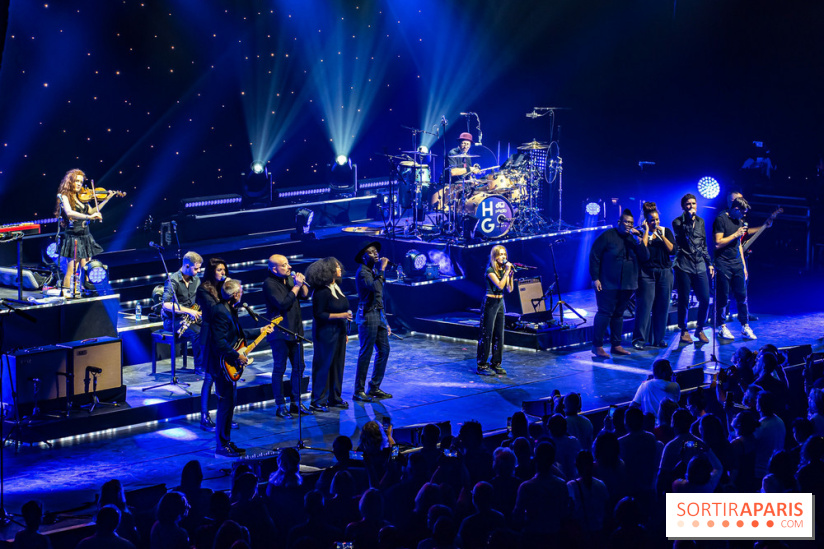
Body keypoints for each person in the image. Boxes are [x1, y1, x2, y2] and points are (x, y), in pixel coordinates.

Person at [206, 278, 273, 457]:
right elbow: (219, 342)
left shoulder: (229, 310)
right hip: (222, 366)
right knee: (225, 405)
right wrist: (237, 356)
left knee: (229, 404)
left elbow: (238, 335)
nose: (242, 294)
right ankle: (221, 445)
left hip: (228, 363)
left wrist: (261, 331)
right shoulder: (220, 311)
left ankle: (226, 441)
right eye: (240, 291)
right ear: (235, 294)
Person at [589, 209, 649, 357]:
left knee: (619, 314)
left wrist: (640, 241)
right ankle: (597, 345)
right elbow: (594, 255)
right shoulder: (607, 236)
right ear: (619, 222)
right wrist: (595, 278)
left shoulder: (633, 239)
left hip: (627, 283)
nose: (629, 225)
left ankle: (616, 344)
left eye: (631, 223)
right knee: (604, 313)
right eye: (626, 222)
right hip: (607, 283)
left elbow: (645, 257)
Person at [262, 254, 312, 418]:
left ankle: (296, 403)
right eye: (284, 265)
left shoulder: (290, 280)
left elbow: (304, 296)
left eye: (288, 263)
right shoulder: (269, 284)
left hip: (295, 330)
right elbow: (283, 303)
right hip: (279, 333)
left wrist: (301, 283)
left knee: (299, 367)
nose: (289, 267)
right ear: (274, 269)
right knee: (279, 369)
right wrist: (296, 287)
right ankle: (280, 406)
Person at [54, 169, 115, 297]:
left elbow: (92, 211)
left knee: (87, 268)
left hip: (85, 235)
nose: (78, 184)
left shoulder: (82, 197)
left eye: (81, 182)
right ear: (70, 182)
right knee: (72, 269)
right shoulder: (65, 196)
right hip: (73, 236)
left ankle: (86, 293)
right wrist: (89, 218)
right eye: (76, 181)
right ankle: (66, 294)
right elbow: (70, 213)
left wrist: (106, 200)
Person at [713, 196, 763, 340]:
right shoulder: (721, 220)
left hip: (736, 263)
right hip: (723, 263)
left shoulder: (739, 221)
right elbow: (717, 243)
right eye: (742, 212)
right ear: (735, 209)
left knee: (742, 296)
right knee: (722, 297)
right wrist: (736, 234)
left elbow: (739, 245)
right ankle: (721, 327)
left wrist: (743, 266)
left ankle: (745, 326)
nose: (744, 215)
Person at [305, 257, 351, 412]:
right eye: (336, 267)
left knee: (337, 365)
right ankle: (318, 400)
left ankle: (335, 397)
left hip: (338, 331)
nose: (339, 269)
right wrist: (342, 316)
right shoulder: (321, 291)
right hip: (325, 332)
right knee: (323, 365)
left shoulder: (336, 286)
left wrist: (344, 332)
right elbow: (319, 314)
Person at [671, 193, 714, 344]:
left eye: (693, 204)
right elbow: (686, 237)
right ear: (683, 207)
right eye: (688, 204)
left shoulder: (701, 222)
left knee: (704, 299)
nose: (691, 206)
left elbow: (703, 244)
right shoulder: (677, 222)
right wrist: (689, 219)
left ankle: (699, 328)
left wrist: (709, 263)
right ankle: (683, 330)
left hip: (699, 264)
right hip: (684, 265)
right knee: (684, 300)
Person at [353, 241, 393, 402]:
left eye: (376, 251)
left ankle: (374, 386)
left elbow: (379, 298)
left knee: (384, 350)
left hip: (378, 314)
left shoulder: (373, 270)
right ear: (364, 256)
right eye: (371, 252)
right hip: (368, 315)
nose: (376, 254)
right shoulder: (363, 272)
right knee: (366, 353)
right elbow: (375, 288)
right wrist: (383, 269)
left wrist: (386, 320)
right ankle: (358, 390)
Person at [632, 202, 674, 349]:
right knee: (644, 307)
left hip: (664, 272)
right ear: (646, 221)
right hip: (646, 274)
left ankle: (659, 339)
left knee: (662, 307)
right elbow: (643, 253)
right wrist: (645, 232)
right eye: (652, 220)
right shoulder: (639, 233)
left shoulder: (665, 231)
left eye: (656, 219)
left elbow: (672, 250)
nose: (655, 222)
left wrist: (661, 237)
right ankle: (639, 339)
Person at [195, 257, 227, 430]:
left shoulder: (223, 287)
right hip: (209, 336)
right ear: (212, 271)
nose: (223, 273)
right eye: (219, 270)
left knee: (225, 377)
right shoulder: (203, 290)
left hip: (223, 334)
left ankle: (224, 415)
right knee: (209, 378)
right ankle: (204, 416)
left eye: (224, 270)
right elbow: (215, 311)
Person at [162, 251, 204, 373]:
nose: (199, 271)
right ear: (186, 266)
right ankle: (200, 367)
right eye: (196, 268)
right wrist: (189, 311)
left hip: (190, 317)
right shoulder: (172, 281)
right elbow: (166, 304)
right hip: (173, 320)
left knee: (212, 325)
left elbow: (199, 300)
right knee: (198, 333)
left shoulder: (196, 280)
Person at [477, 245, 514, 375]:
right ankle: (482, 365)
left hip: (500, 302)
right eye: (501, 254)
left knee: (499, 334)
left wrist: (510, 274)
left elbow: (509, 289)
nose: (504, 257)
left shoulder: (503, 271)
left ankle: (496, 363)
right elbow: (499, 285)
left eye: (505, 254)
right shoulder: (490, 270)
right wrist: (506, 273)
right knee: (487, 334)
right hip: (490, 302)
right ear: (495, 256)